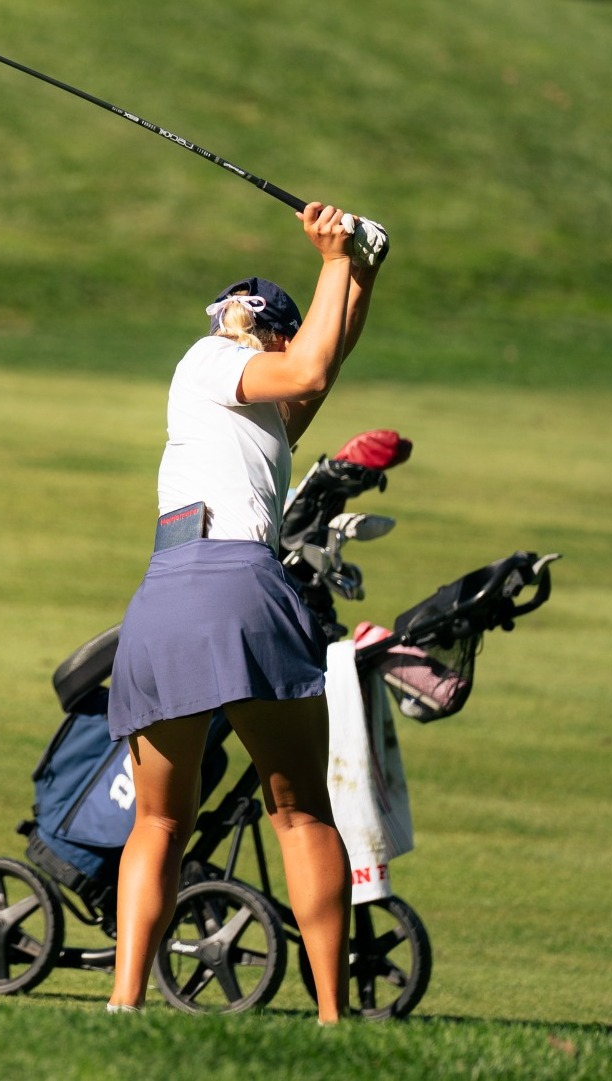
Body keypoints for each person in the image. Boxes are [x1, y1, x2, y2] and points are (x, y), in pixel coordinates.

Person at [105, 202, 381, 1023]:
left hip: (163, 594)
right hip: (234, 587)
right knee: (296, 809)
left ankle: (125, 1004)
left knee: (159, 816)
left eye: (242, 316)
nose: (229, 321)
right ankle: (331, 1017)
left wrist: (357, 265)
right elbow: (307, 368)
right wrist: (335, 260)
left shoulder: (262, 411)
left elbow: (317, 364)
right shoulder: (212, 362)